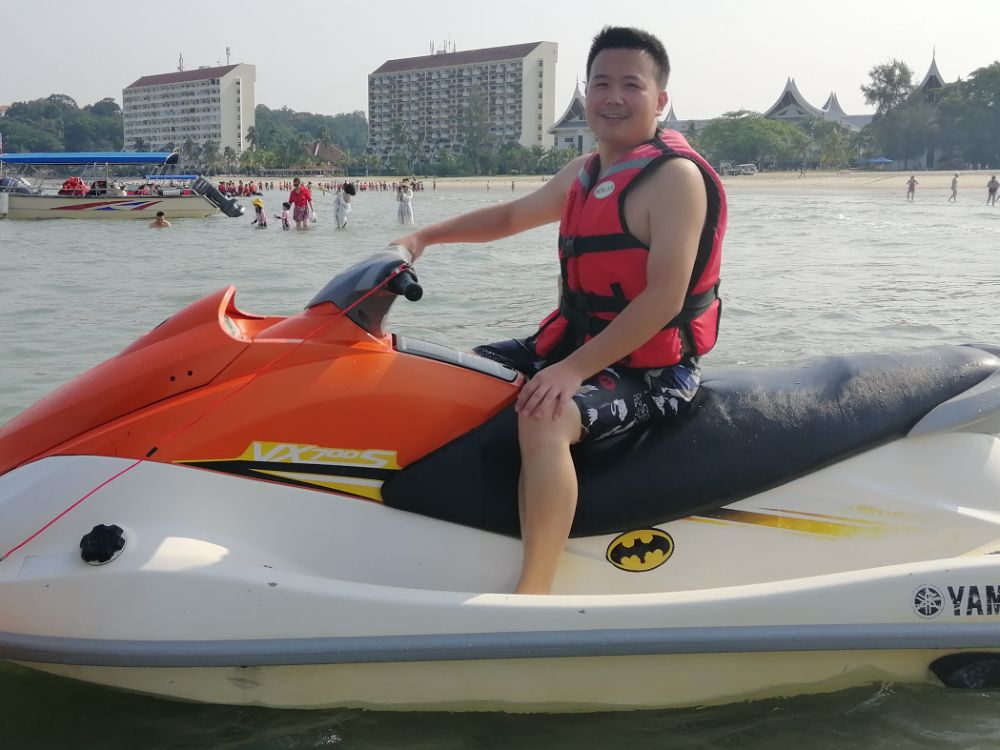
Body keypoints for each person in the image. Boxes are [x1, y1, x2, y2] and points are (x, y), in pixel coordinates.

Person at [392, 26, 725, 595]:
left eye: (631, 85)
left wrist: (571, 372)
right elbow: (509, 217)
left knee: (544, 417)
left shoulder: (676, 178)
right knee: (451, 374)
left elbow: (664, 298)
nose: (613, 97)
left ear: (659, 100)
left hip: (657, 370)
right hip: (579, 344)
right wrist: (422, 238)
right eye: (601, 84)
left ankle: (534, 590)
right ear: (586, 93)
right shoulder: (585, 172)